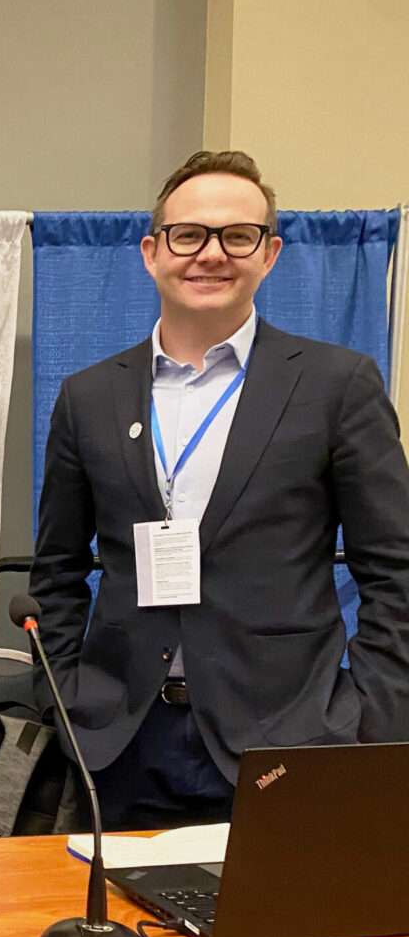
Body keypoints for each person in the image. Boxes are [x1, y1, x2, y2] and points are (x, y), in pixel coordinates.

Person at [31, 149, 409, 831]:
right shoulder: (88, 397)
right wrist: (65, 698)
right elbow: (55, 570)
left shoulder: (336, 385)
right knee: (117, 934)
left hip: (291, 743)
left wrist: (368, 719)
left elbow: (396, 571)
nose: (211, 254)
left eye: (238, 236)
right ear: (152, 252)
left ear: (270, 254)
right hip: (121, 744)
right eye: (189, 235)